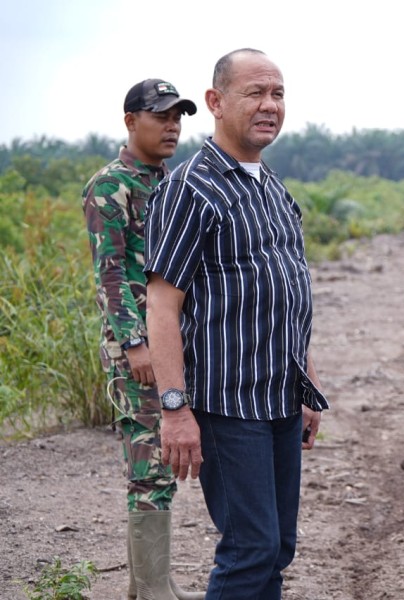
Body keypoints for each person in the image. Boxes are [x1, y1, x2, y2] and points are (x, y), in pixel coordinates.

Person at [144, 48, 329, 599]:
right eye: (255, 93)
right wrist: (175, 411)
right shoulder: (189, 189)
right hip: (226, 405)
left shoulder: (272, 187)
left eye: (277, 94)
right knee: (249, 547)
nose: (270, 105)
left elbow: (288, 293)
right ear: (216, 102)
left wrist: (306, 386)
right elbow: (162, 306)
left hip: (277, 398)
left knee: (276, 548)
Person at [82, 79, 204, 599]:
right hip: (139, 348)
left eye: (178, 117)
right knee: (150, 466)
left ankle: (149, 587)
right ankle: (153, 590)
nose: (172, 126)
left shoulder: (170, 183)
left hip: (170, 340)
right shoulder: (111, 186)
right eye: (161, 117)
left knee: (157, 461)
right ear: (131, 121)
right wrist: (135, 346)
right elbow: (110, 275)